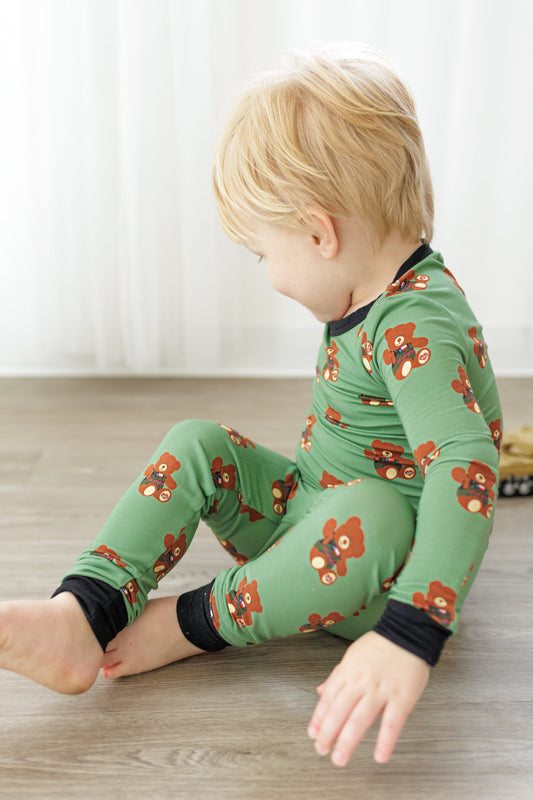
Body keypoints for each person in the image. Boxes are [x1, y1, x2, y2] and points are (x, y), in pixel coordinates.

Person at [0, 43, 501, 768]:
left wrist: (410, 630)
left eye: (261, 254)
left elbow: (465, 463)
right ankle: (86, 608)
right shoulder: (375, 290)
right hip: (313, 513)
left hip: (376, 564)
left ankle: (190, 621)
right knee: (197, 440)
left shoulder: (415, 324)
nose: (267, 275)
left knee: (375, 513)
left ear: (318, 231)